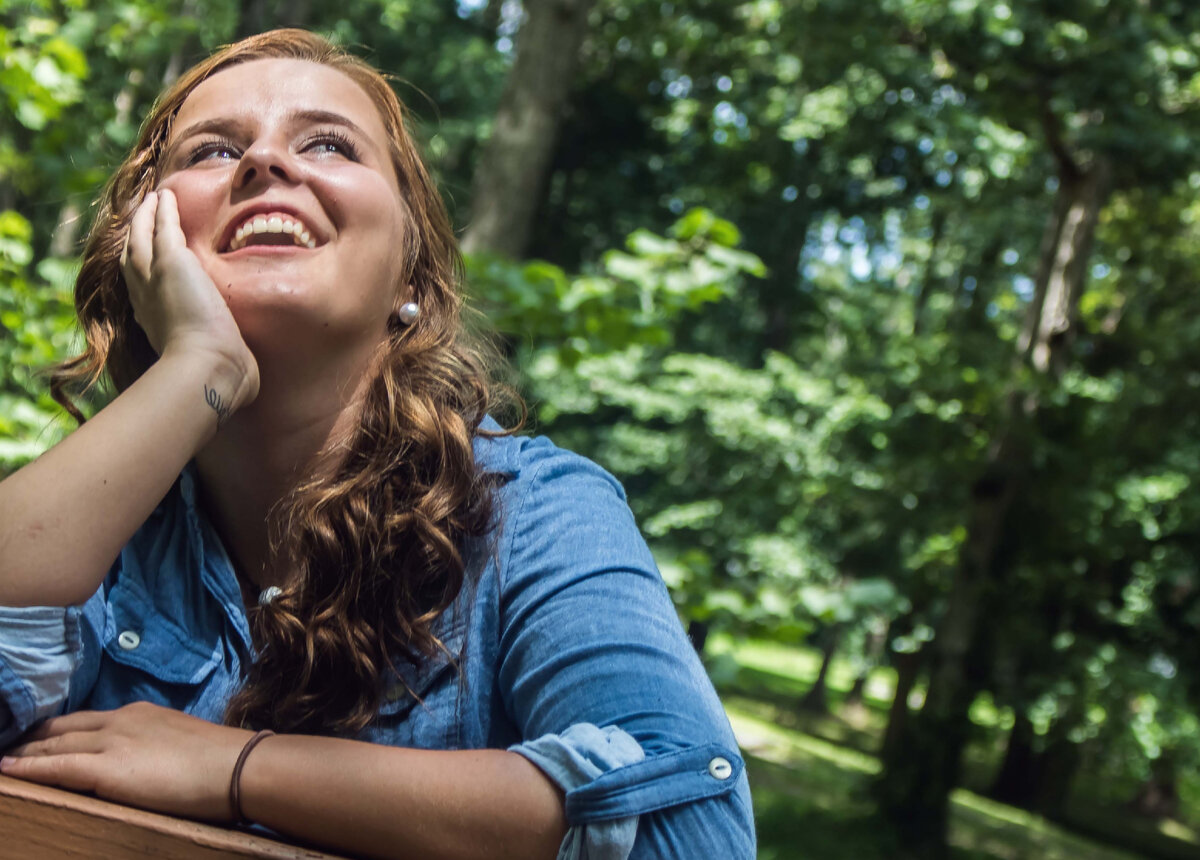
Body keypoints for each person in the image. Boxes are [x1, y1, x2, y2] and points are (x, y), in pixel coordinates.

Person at [0, 29, 754, 860]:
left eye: (327, 143)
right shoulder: (100, 525)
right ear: (146, 244)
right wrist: (198, 368)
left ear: (411, 278)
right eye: (213, 151)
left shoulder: (535, 510)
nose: (264, 164)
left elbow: (685, 825)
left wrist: (237, 767)